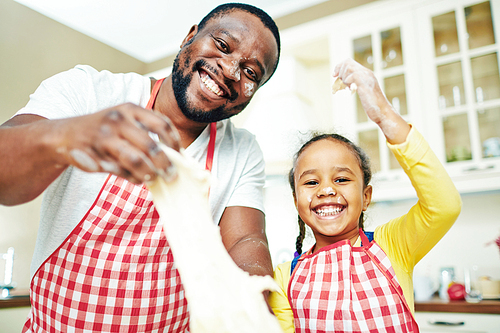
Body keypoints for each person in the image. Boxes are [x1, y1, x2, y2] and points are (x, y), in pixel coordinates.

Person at [0, 3, 280, 332]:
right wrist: (72, 135)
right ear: (189, 36)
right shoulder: (90, 91)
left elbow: (245, 240)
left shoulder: (242, 150)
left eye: (251, 73)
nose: (231, 71)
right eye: (222, 45)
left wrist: (252, 305)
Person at [269, 58, 462, 332]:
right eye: (311, 181)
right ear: (295, 200)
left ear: (366, 196)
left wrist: (384, 115)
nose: (326, 190)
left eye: (342, 179)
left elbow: (445, 206)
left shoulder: (394, 245)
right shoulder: (283, 277)